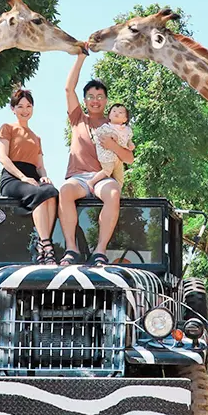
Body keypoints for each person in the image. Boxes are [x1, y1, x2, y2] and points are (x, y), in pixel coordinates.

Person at [58, 48, 134, 266]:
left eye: (100, 97)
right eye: (90, 96)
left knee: (113, 192)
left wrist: (113, 145)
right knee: (64, 191)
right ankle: (71, 249)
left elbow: (129, 159)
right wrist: (81, 57)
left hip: (102, 178)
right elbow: (68, 88)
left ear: (106, 101)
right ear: (84, 100)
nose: (95, 100)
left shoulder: (116, 126)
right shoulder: (77, 118)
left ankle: (100, 251)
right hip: (78, 177)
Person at [0, 88, 59, 264]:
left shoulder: (36, 137)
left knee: (51, 191)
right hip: (13, 177)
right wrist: (23, 177)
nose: (25, 110)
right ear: (13, 109)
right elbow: (3, 158)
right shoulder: (7, 128)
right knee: (38, 193)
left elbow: (40, 166)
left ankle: (41, 242)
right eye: (20, 106)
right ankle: (47, 245)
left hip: (33, 178)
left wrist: (44, 176)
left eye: (28, 106)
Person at [87, 103, 134, 189]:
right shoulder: (106, 127)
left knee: (120, 177)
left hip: (119, 158)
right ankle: (91, 182)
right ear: (109, 116)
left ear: (125, 119)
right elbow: (99, 135)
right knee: (107, 170)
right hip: (108, 155)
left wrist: (130, 144)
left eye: (120, 112)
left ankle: (118, 191)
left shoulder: (127, 130)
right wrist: (110, 134)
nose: (117, 113)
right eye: (114, 111)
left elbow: (129, 140)